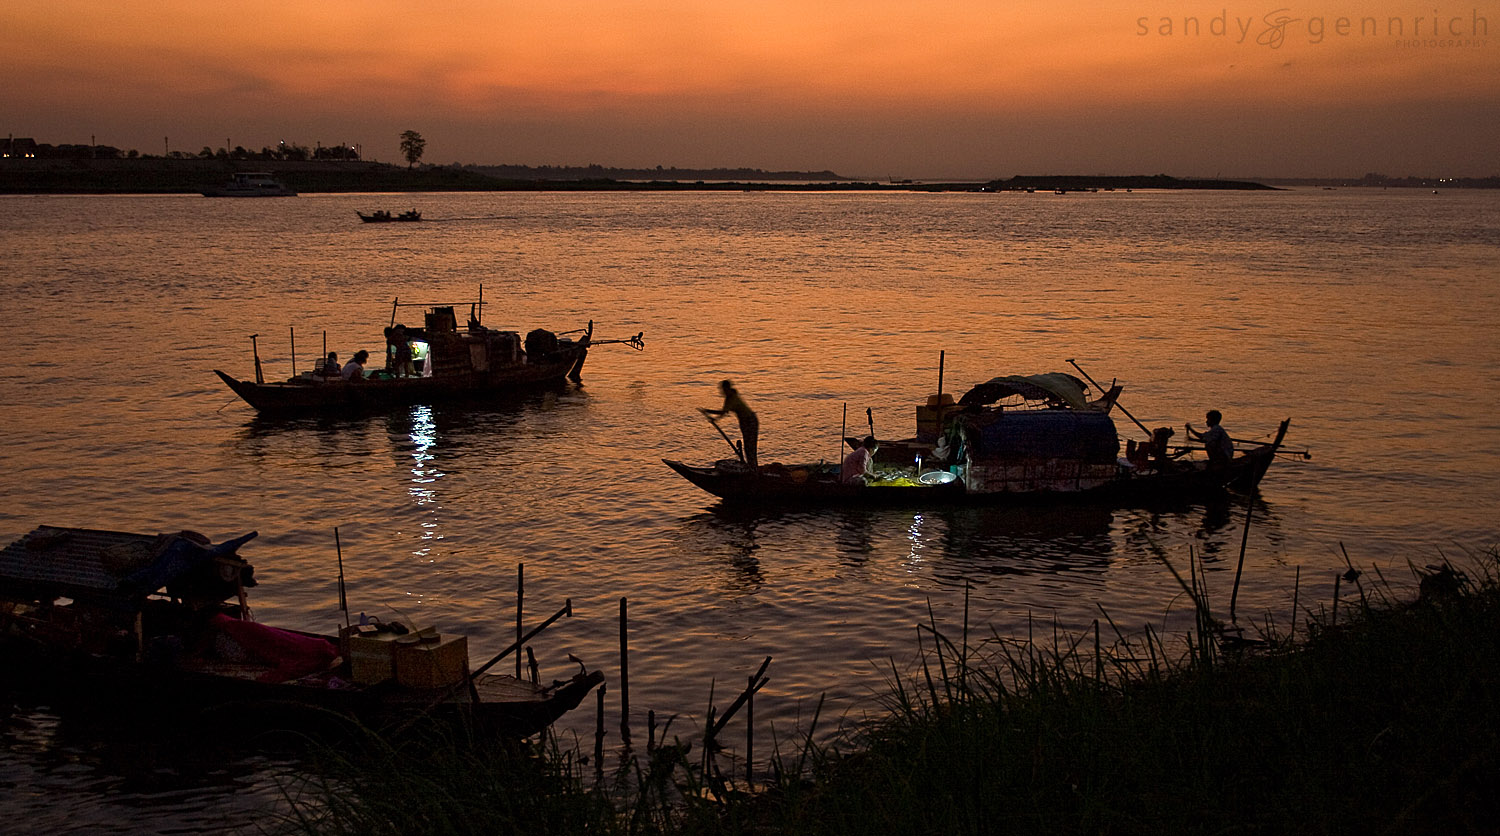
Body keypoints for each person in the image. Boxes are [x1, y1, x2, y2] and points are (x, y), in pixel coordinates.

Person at [703, 379, 759, 468]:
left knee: (750, 447)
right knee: (748, 447)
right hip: (744, 422)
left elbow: (722, 413)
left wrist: (707, 411)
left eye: (724, 389)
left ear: (728, 389)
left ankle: (753, 469)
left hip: (750, 421)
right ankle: (752, 467)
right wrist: (715, 419)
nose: (722, 391)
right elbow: (724, 412)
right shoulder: (729, 398)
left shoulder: (733, 398)